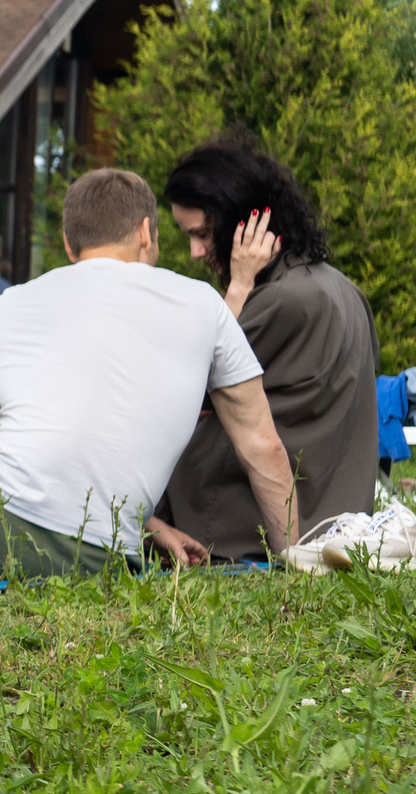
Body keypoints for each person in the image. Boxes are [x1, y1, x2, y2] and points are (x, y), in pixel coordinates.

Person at [0, 168, 294, 576]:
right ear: (146, 232)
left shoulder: (11, 302)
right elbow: (263, 446)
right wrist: (295, 558)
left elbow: (0, 428)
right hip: (106, 555)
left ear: (70, 246)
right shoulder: (205, 304)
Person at [155, 141, 379, 564]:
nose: (195, 252)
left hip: (246, 524)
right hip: (334, 506)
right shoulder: (340, 286)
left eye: (202, 234)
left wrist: (238, 287)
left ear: (243, 222)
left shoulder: (279, 300)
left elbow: (186, 391)